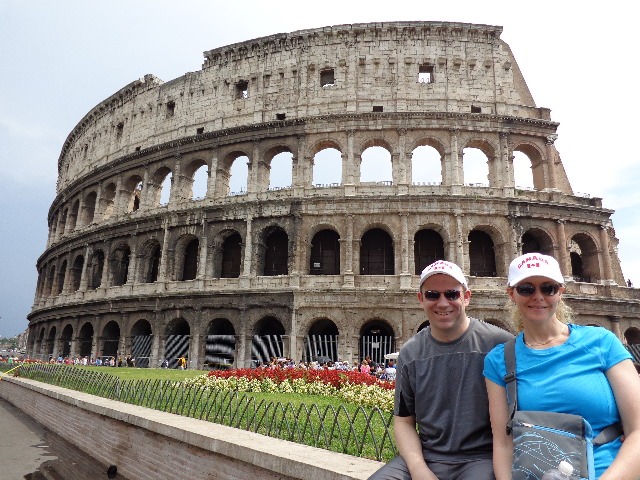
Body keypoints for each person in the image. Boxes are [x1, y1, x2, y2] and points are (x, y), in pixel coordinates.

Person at [483, 253, 640, 480]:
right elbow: (504, 444)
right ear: (511, 293)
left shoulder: (601, 342)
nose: (538, 297)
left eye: (548, 288)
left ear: (561, 292)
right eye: (527, 288)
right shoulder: (499, 360)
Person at [369, 260, 513, 480]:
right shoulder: (410, 353)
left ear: (467, 297)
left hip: (481, 457)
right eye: (433, 295)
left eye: (452, 294)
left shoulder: (499, 344)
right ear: (421, 299)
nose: (443, 303)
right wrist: (418, 469)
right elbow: (403, 421)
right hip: (428, 456)